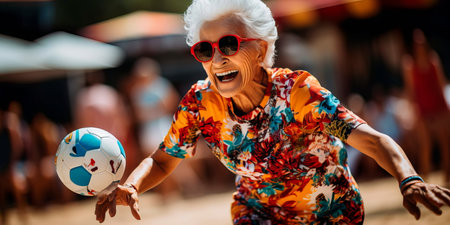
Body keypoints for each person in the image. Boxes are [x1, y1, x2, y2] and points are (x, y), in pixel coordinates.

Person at [95, 0, 450, 224]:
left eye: (229, 45)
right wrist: (131, 184)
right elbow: (162, 160)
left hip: (330, 213)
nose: (217, 59)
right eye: (205, 49)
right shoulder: (200, 103)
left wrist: (410, 179)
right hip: (257, 214)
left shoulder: (298, 93)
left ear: (260, 49)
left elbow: (371, 141)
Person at [402, 29, 450, 187]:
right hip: (423, 108)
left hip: (438, 104)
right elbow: (411, 90)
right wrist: (412, 111)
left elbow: (441, 82)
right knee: (425, 145)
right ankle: (425, 181)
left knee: (445, 143)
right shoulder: (409, 65)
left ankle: (447, 178)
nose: (420, 46)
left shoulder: (433, 60)